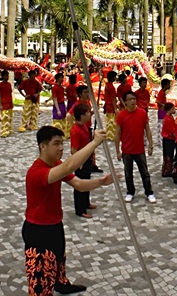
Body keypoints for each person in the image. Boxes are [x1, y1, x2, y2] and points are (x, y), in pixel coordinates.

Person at [23, 125, 113, 295]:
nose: (61, 148)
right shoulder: (36, 172)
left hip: (55, 225)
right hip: (38, 231)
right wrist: (94, 143)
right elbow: (69, 166)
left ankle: (61, 284)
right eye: (56, 144)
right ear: (43, 146)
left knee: (58, 261)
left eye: (62, 143)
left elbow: (78, 184)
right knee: (41, 277)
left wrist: (101, 182)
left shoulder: (55, 164)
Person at [114, 91, 156, 203]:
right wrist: (117, 150)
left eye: (134, 99)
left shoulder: (142, 113)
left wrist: (150, 145)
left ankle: (149, 192)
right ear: (125, 102)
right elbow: (117, 133)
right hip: (127, 150)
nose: (133, 101)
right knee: (128, 173)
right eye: (130, 99)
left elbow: (147, 129)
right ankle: (130, 192)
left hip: (139, 149)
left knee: (144, 172)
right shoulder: (121, 115)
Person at [70, 103, 97, 218]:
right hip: (81, 161)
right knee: (80, 185)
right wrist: (78, 162)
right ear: (81, 116)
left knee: (87, 181)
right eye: (87, 113)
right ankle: (80, 209)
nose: (89, 114)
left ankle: (86, 202)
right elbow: (73, 149)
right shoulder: (75, 130)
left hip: (87, 158)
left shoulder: (85, 126)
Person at [160, 103, 177, 178]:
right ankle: (167, 171)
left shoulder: (170, 117)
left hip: (168, 139)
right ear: (169, 110)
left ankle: (166, 169)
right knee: (169, 155)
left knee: (168, 154)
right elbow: (173, 131)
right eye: (173, 109)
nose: (175, 110)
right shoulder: (168, 119)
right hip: (169, 139)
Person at [0, 70, 15, 138]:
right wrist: (0, 104)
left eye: (8, 75)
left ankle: (9, 129)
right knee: (4, 118)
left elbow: (10, 93)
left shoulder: (9, 84)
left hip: (9, 102)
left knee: (10, 117)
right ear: (3, 76)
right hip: (4, 103)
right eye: (6, 75)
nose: (7, 77)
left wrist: (12, 102)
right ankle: (4, 131)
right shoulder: (0, 85)